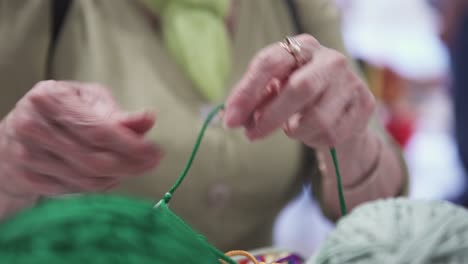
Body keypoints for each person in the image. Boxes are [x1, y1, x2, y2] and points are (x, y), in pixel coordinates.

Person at [0, 0, 407, 251]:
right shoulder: (37, 10)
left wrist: (351, 139)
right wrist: (10, 167)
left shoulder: (299, 6)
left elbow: (382, 213)